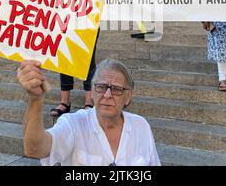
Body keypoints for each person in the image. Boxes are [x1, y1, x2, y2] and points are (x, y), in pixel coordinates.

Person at [17, 58, 161, 166]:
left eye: (117, 89)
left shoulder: (141, 126)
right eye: (101, 87)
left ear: (128, 96)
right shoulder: (73, 124)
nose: (107, 95)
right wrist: (35, 99)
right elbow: (35, 149)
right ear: (92, 92)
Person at [50, 28, 100, 117]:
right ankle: (65, 101)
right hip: (68, 19)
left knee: (88, 59)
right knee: (64, 56)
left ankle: (89, 102)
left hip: (89, 19)